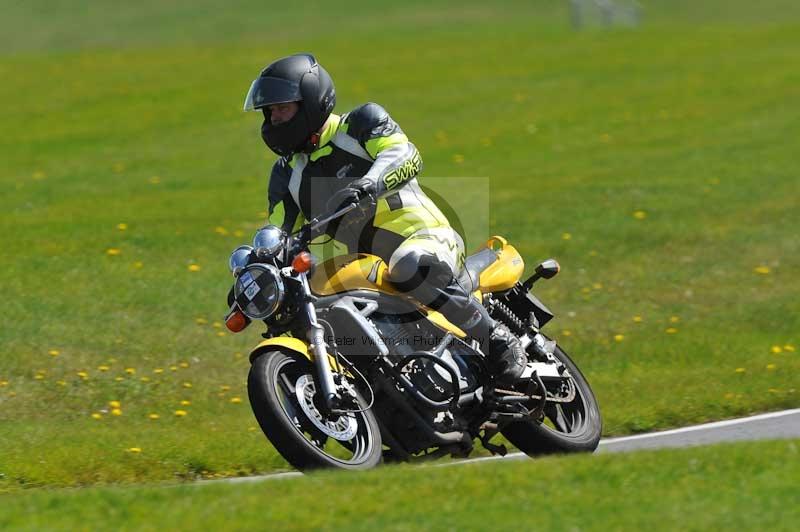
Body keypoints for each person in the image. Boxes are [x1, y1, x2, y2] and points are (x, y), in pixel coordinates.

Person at [243, 53, 525, 384]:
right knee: (317, 300)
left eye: (282, 108)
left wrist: (368, 183)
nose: (274, 118)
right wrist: (254, 270)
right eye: (269, 112)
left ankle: (499, 342)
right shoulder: (286, 174)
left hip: (427, 239)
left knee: (407, 262)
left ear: (309, 101)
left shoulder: (360, 124)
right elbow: (278, 230)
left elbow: (403, 153)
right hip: (371, 268)